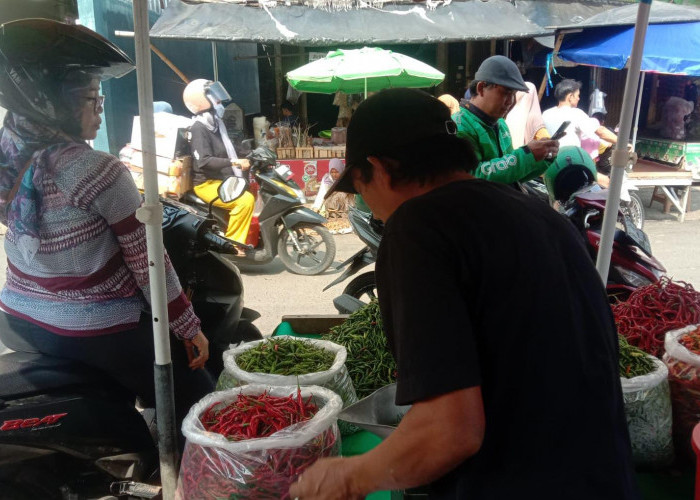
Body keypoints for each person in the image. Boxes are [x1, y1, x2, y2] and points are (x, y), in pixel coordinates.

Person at [289, 88, 640, 500]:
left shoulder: (416, 229)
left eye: (360, 187)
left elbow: (449, 431)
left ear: (379, 168)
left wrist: (350, 476)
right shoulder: (543, 215)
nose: (367, 202)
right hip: (607, 478)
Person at [0, 20, 213, 426]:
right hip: (90, 328)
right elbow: (149, 262)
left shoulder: (7, 155)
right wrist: (188, 327)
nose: (99, 111)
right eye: (89, 100)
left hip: (16, 316)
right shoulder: (98, 170)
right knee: (200, 399)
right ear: (52, 103)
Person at [453, 55, 559, 185]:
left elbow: (513, 175)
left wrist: (544, 158)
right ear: (481, 88)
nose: (510, 101)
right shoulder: (459, 125)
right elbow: (472, 176)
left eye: (514, 95)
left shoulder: (501, 124)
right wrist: (527, 154)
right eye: (505, 93)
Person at [184, 79, 255, 243]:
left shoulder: (216, 123)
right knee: (245, 201)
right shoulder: (198, 128)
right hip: (206, 183)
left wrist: (254, 153)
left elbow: (231, 148)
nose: (219, 101)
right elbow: (204, 161)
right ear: (202, 101)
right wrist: (235, 163)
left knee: (251, 192)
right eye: (215, 97)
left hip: (222, 179)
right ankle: (233, 245)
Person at [542, 79, 618, 157]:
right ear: (570, 96)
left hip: (549, 160)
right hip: (569, 161)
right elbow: (600, 131)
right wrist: (622, 142)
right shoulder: (576, 113)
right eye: (578, 95)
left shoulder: (546, 114)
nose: (579, 99)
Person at [504, 81, 550, 149]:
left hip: (509, 156)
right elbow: (546, 142)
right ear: (533, 95)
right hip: (527, 157)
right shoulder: (535, 118)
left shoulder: (507, 114)